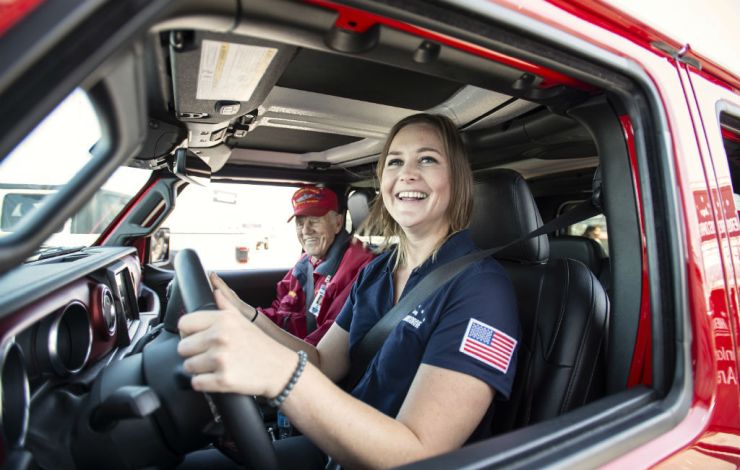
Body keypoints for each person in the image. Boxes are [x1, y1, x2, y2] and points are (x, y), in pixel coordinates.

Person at [178, 114, 520, 469]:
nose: (407, 174)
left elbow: (418, 455)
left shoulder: (483, 291)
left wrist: (280, 375)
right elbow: (323, 363)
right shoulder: (376, 271)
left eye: (428, 159)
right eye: (395, 161)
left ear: (457, 180)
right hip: (339, 450)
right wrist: (245, 314)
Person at [212, 185, 374, 345]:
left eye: (314, 220)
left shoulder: (359, 265)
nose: (305, 230)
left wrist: (251, 320)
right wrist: (244, 319)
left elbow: (327, 344)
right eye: (300, 223)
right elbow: (282, 311)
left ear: (338, 223)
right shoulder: (305, 262)